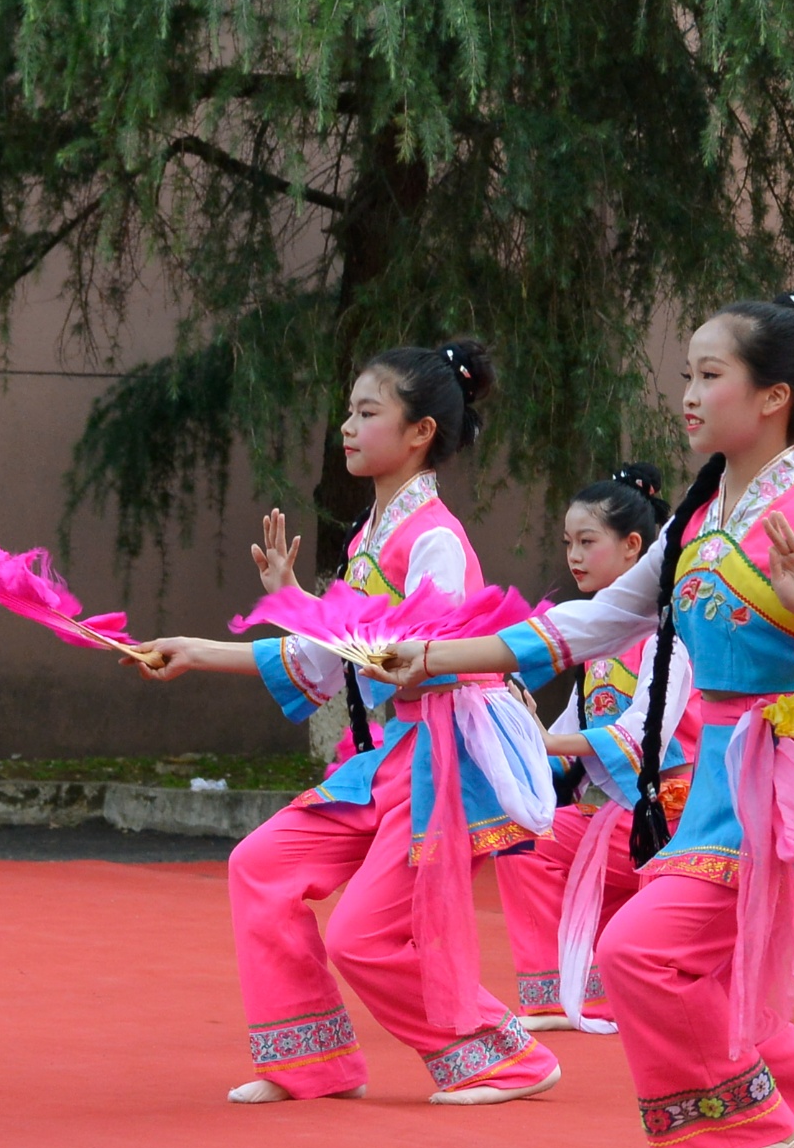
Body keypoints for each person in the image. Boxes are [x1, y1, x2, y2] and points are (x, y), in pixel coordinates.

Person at [379, 292, 794, 1148]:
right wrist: (437, 654)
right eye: (688, 374)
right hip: (730, 778)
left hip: (791, 778)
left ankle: (759, 1132)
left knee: (644, 951)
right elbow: (591, 623)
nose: (687, 394)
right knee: (701, 975)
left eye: (708, 374)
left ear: (771, 399)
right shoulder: (698, 520)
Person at [142, 340, 562, 1106]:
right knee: (261, 866)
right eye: (349, 409)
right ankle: (313, 1060)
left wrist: (315, 616)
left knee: (362, 936)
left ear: (420, 432)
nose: (348, 425)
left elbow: (422, 647)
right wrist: (199, 648)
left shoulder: (432, 536)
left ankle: (505, 1056)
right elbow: (324, 658)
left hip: (438, 760)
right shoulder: (369, 538)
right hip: (387, 759)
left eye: (368, 411)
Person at [503, 465, 684, 1033]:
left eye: (587, 542)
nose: (573, 556)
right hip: (610, 816)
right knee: (517, 835)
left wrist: (548, 739)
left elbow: (642, 735)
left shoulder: (668, 633)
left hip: (669, 819)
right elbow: (568, 725)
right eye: (568, 543)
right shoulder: (597, 636)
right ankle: (561, 993)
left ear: (633, 548)